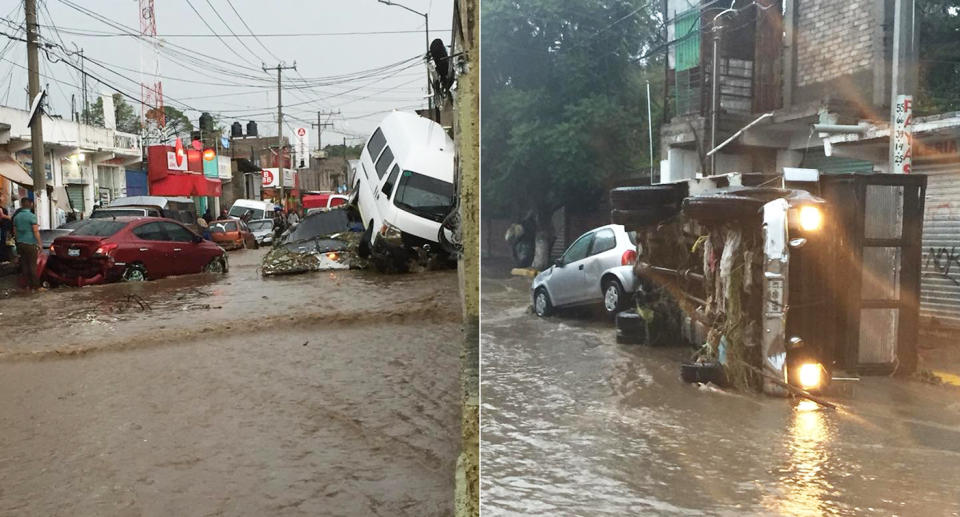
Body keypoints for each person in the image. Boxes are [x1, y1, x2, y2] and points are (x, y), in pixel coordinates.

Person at [12, 197, 42, 291]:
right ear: (31, 204)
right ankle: (37, 287)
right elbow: (35, 231)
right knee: (32, 266)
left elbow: (15, 232)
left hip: (20, 244)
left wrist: (18, 242)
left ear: (21, 205)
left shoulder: (16, 217)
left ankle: (27, 286)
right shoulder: (31, 216)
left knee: (24, 265)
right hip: (30, 244)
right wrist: (40, 243)